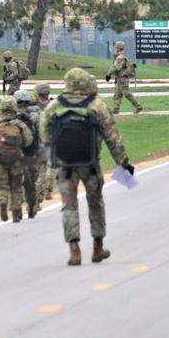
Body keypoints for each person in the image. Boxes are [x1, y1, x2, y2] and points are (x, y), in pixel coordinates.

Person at [40, 68, 133, 266]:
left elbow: (45, 136)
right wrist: (123, 163)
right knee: (96, 203)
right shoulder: (97, 104)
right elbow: (112, 137)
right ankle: (98, 247)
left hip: (64, 166)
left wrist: (53, 159)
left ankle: (74, 250)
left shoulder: (54, 106)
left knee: (69, 205)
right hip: (90, 163)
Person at [0, 96, 34, 223]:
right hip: (16, 160)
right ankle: (16, 212)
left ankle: (2, 201)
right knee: (16, 186)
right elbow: (28, 141)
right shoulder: (19, 124)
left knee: (0, 185)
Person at [14, 90, 41, 219]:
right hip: (30, 153)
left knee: (16, 182)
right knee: (31, 181)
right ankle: (31, 205)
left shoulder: (8, 118)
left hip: (14, 155)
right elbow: (41, 133)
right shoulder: (33, 116)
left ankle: (16, 208)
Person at [106, 41, 143, 115]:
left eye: (116, 47)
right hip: (120, 78)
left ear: (118, 48)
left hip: (122, 78)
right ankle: (115, 109)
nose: (115, 48)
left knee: (127, 93)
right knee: (117, 93)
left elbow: (115, 67)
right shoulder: (123, 57)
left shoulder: (120, 58)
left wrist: (108, 74)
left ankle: (138, 106)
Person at [34, 82, 56, 203]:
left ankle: (39, 195)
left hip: (38, 141)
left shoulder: (33, 107)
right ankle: (48, 189)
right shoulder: (53, 105)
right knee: (50, 166)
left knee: (40, 170)